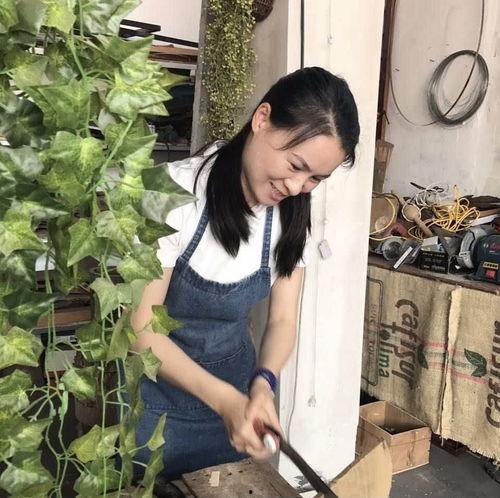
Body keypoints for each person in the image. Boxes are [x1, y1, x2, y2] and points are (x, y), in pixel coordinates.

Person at [130, 66, 360, 480]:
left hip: (236, 406)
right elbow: (141, 329)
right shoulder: (171, 194)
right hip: (153, 405)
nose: (296, 187)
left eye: (315, 179)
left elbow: (283, 320)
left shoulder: (290, 218)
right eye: (296, 164)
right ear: (262, 119)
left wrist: (263, 383)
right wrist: (224, 400)